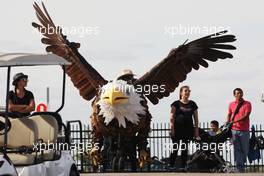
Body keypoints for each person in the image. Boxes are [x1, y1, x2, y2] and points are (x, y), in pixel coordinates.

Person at [169, 85, 200, 169]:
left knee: (184, 148)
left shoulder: (192, 104)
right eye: (185, 91)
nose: (187, 92)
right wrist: (172, 129)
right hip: (177, 129)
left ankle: (183, 166)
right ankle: (171, 166)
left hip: (188, 129)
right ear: (181, 93)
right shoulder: (175, 104)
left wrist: (196, 132)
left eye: (188, 91)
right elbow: (171, 118)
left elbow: (196, 119)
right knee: (175, 148)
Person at [226, 88, 251, 173]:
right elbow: (229, 114)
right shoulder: (231, 104)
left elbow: (246, 115)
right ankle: (240, 168)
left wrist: (234, 121)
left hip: (244, 130)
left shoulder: (247, 104)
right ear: (234, 95)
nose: (239, 94)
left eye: (241, 93)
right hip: (234, 130)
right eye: (238, 93)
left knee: (245, 149)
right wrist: (227, 121)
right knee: (237, 149)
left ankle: (241, 164)